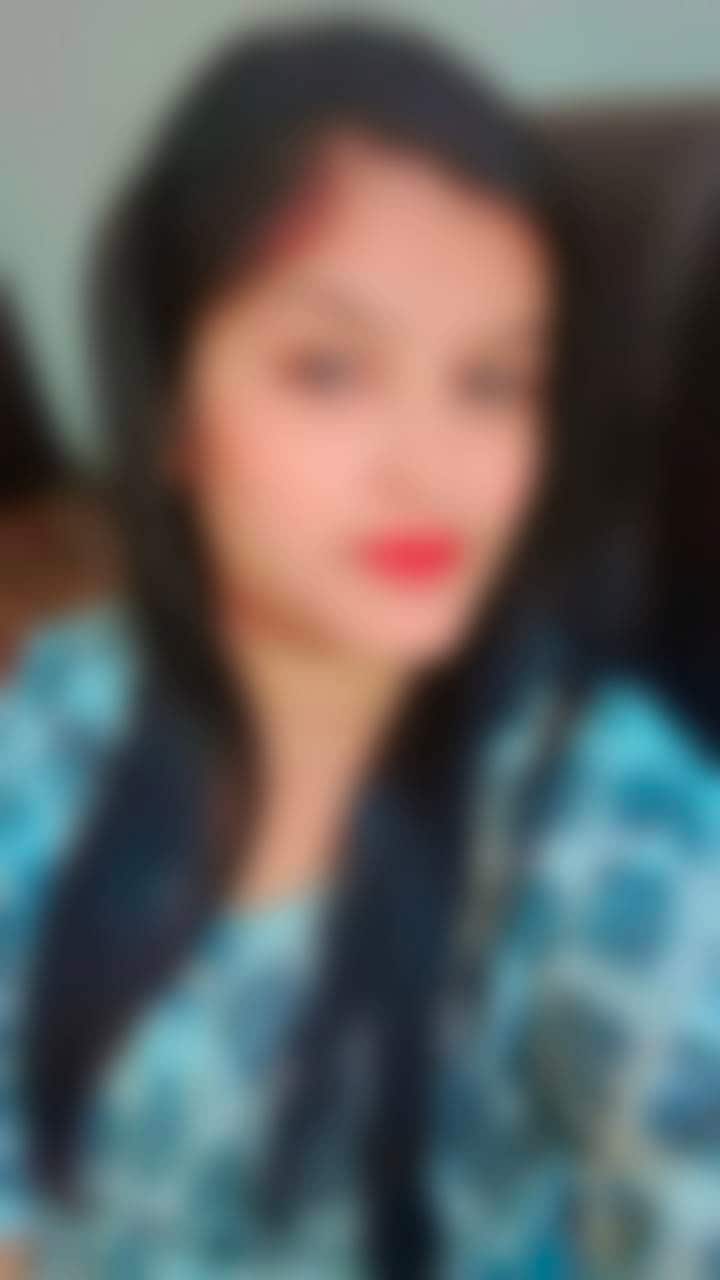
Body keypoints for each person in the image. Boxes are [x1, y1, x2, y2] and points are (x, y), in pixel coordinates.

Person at [1, 17, 719, 1279]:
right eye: (330, 370)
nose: (429, 470)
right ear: (169, 412)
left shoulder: (605, 819)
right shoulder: (72, 699)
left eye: (493, 382)